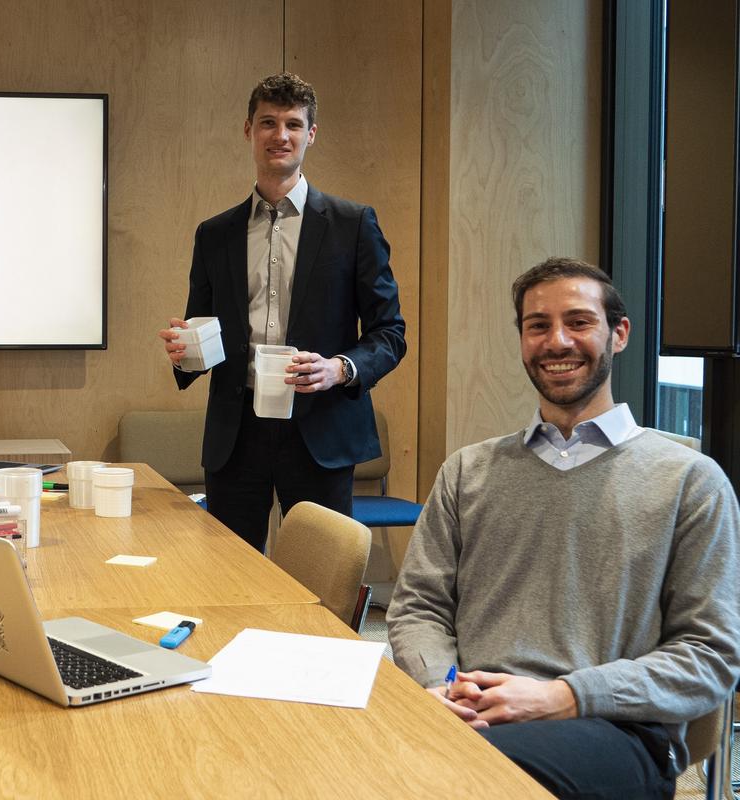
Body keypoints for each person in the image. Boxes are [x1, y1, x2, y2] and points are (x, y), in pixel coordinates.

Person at [387, 257, 740, 799]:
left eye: (578, 322)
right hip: (472, 711)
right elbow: (420, 606)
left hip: (615, 729)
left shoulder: (691, 482)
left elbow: (709, 657)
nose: (557, 341)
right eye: (538, 325)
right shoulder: (468, 471)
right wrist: (443, 684)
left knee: (441, 778)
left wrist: (563, 696)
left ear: (618, 334)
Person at [159, 72, 406, 553]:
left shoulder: (353, 225)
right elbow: (202, 333)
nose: (281, 135)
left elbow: (390, 332)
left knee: (319, 581)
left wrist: (340, 369)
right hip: (237, 435)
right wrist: (184, 351)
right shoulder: (215, 234)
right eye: (268, 122)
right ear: (248, 130)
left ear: (311, 134)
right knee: (231, 578)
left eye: (294, 124)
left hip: (321, 428)